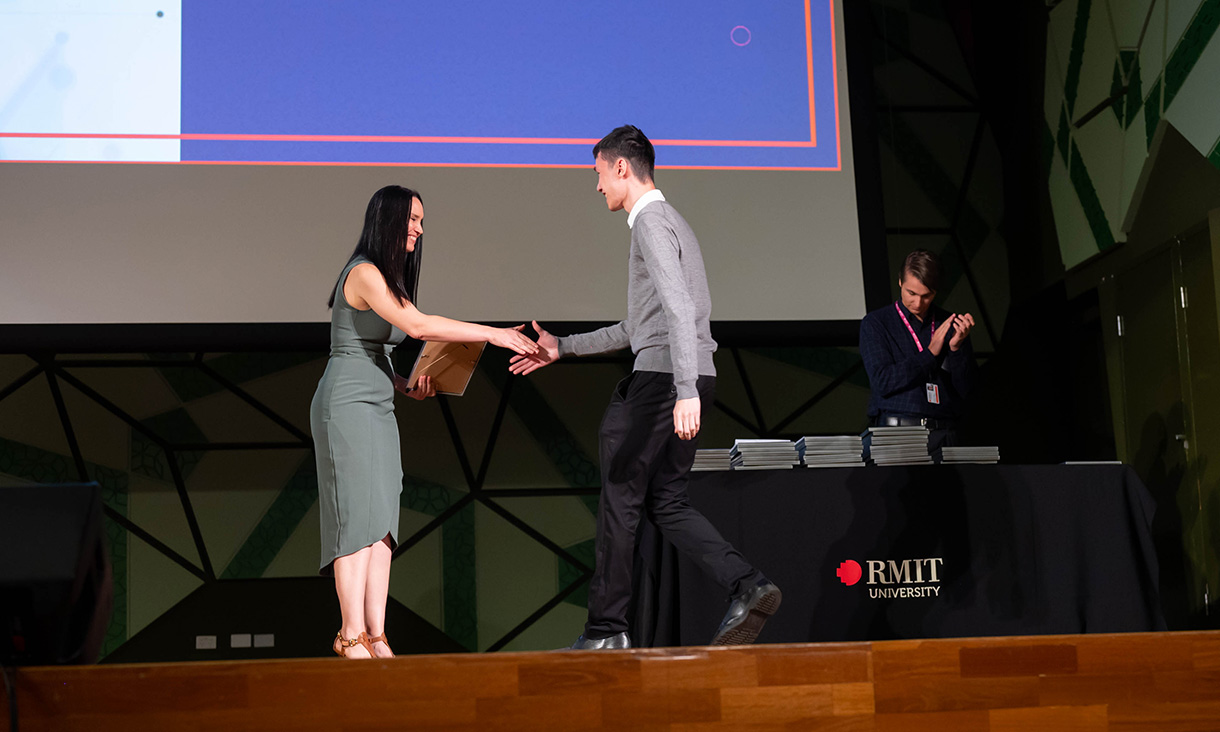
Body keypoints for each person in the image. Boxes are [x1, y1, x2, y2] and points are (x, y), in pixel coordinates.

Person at [510, 125, 780, 650]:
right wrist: (563, 348)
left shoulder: (651, 223)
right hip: (690, 373)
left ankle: (606, 631)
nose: (597, 186)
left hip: (665, 381)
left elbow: (679, 308)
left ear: (621, 167)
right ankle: (749, 585)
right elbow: (638, 327)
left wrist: (683, 389)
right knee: (667, 502)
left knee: (620, 498)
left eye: (598, 173)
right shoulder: (672, 221)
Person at [311, 185, 539, 659]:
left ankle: (376, 635)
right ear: (389, 220)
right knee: (355, 514)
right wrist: (493, 334)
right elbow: (416, 327)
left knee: (380, 519)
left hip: (377, 402)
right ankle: (349, 634)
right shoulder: (364, 272)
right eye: (412, 219)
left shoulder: (388, 279)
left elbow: (375, 348)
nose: (418, 229)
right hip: (347, 404)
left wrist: (403, 383)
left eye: (420, 221)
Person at [858, 249, 979, 453]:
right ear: (900, 282)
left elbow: (968, 391)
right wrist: (929, 354)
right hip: (897, 433)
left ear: (935, 292)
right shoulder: (877, 323)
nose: (918, 303)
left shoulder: (950, 324)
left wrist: (956, 348)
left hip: (945, 433)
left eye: (926, 296)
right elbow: (882, 381)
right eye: (911, 293)